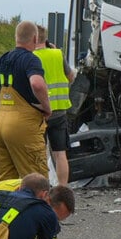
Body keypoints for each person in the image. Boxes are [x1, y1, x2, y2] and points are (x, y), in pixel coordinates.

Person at [0, 21, 52, 182]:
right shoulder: (30, 60)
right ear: (34, 38)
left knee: (4, 183)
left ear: (16, 37)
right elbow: (37, 84)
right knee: (36, 182)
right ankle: (37, 207)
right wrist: (47, 108)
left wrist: (3, 100)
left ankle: (2, 206)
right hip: (23, 127)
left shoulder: (2, 59)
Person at [33, 25, 75, 185]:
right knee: (60, 154)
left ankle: (42, 188)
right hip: (60, 112)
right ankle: (63, 188)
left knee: (40, 154)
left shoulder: (31, 57)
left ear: (33, 38)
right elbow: (71, 77)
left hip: (39, 113)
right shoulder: (58, 54)